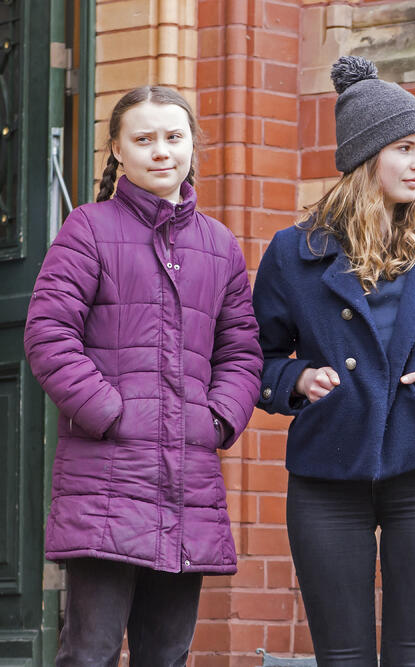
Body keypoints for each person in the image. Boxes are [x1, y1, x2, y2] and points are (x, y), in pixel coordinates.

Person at [252, 56, 415, 666]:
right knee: (341, 658)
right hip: (326, 477)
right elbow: (253, 359)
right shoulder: (294, 253)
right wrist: (296, 378)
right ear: (366, 158)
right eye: (403, 149)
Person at [23, 85, 263, 665]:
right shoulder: (88, 228)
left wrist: (216, 420)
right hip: (104, 482)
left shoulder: (219, 246)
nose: (161, 151)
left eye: (174, 137)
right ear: (117, 150)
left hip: (188, 487)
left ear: (191, 146)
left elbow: (242, 352)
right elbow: (48, 334)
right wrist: (112, 414)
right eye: (144, 138)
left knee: (167, 655)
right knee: (90, 653)